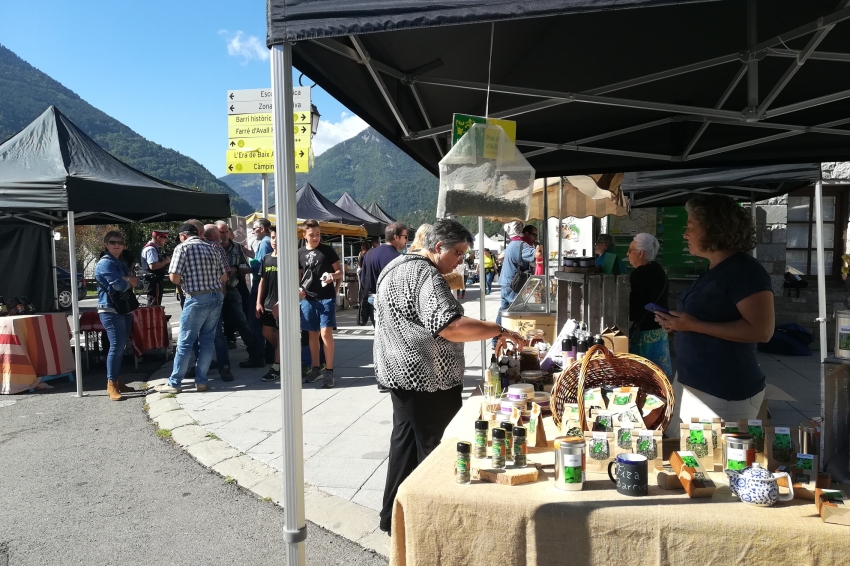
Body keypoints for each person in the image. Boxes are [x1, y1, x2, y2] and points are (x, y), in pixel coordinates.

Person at [374, 218, 525, 535]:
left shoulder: (397, 265)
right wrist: (499, 330)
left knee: (404, 446)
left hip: (398, 373)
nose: (461, 260)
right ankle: (436, 526)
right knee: (436, 450)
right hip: (426, 377)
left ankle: (393, 518)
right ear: (438, 247)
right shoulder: (425, 273)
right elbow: (451, 326)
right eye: (458, 252)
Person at [654, 195, 774, 423]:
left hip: (723, 390)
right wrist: (679, 325)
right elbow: (708, 319)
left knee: (712, 457)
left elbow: (762, 331)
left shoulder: (745, 271)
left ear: (715, 230)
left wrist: (693, 325)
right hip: (694, 381)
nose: (685, 234)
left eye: (690, 227)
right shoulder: (714, 269)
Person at [156, 223, 228, 394]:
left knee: (186, 341)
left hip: (196, 297)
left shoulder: (182, 248)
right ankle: (201, 380)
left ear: (183, 235)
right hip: (216, 296)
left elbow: (173, 277)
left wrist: (187, 280)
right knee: (208, 340)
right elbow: (224, 277)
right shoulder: (214, 248)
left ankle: (175, 383)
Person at [95, 230, 139, 401]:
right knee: (116, 346)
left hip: (123, 308)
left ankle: (117, 379)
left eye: (119, 242)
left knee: (121, 347)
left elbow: (137, 281)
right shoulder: (105, 263)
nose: (116, 245)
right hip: (110, 309)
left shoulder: (119, 263)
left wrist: (127, 279)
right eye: (112, 242)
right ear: (106, 244)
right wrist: (128, 280)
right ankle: (111, 383)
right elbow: (121, 286)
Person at [298, 219, 343, 389]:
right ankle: (315, 368)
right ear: (305, 235)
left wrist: (333, 278)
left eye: (318, 234)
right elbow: (298, 276)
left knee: (325, 333)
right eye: (312, 235)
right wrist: (299, 290)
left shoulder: (327, 250)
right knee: (312, 335)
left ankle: (329, 371)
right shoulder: (300, 253)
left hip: (326, 298)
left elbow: (340, 272)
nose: (316, 237)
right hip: (308, 299)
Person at [215, 221, 264, 368]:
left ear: (229, 232)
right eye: (220, 232)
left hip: (233, 288)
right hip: (215, 291)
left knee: (242, 322)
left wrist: (237, 268)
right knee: (215, 325)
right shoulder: (212, 247)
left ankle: (255, 355)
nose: (223, 235)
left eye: (225, 232)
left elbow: (245, 265)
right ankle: (217, 360)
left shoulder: (237, 247)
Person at [625, 233, 672, 378]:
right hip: (657, 330)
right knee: (657, 378)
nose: (627, 254)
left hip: (645, 334)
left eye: (630, 250)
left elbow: (633, 304)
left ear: (640, 253)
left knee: (644, 377)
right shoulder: (658, 269)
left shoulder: (641, 274)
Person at [496, 222, 537, 333]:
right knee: (517, 312)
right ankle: (514, 335)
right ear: (526, 233)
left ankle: (496, 338)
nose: (535, 239)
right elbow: (537, 254)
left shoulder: (513, 243)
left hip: (506, 283)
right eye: (534, 235)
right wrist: (542, 248)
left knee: (503, 311)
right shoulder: (522, 245)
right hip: (514, 285)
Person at [256, 226, 281, 382]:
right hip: (267, 303)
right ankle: (285, 353)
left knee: (281, 335)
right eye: (272, 238)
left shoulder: (288, 258)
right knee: (267, 333)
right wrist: (258, 301)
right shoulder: (266, 258)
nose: (275, 241)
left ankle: (277, 366)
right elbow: (262, 281)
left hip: (281, 304)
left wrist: (281, 302)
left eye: (278, 238)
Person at [140, 229, 171, 306]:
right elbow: (153, 266)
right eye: (165, 238)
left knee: (155, 302)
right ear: (159, 237)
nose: (166, 241)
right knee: (153, 303)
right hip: (152, 280)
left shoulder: (154, 248)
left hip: (154, 280)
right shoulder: (151, 249)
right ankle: (152, 317)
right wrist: (166, 261)